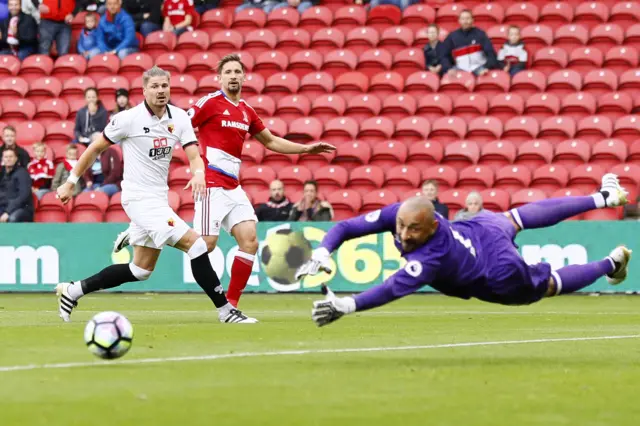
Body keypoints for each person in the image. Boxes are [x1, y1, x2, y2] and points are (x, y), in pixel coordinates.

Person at [114, 54, 335, 310]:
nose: (232, 76)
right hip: (211, 187)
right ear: (219, 78)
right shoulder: (209, 103)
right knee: (205, 245)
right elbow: (178, 125)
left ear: (243, 76)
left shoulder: (246, 111)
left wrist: (306, 150)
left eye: (236, 71)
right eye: (227, 72)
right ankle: (141, 231)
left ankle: (231, 305)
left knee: (250, 241)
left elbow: (271, 141)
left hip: (233, 188)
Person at [55, 66, 256, 324]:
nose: (161, 91)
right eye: (155, 87)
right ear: (144, 90)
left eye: (164, 86)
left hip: (158, 198)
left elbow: (194, 154)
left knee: (140, 270)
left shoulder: (180, 118)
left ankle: (73, 291)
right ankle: (226, 311)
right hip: (138, 199)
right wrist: (71, 181)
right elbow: (95, 148)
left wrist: (198, 173)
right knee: (196, 245)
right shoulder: (129, 119)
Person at [299, 174, 632, 327]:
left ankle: (610, 263)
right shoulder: (404, 212)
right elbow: (344, 227)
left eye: (413, 230)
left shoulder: (430, 257)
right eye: (400, 226)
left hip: (495, 271)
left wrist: (348, 304)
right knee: (514, 217)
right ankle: (602, 196)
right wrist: (323, 251)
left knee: (544, 287)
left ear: (431, 226)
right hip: (479, 229)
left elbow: (391, 288)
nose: (403, 234)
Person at [439, 9, 498, 77]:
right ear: (459, 21)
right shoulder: (452, 36)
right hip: (460, 69)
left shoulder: (480, 34)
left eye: (468, 18)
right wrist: (448, 68)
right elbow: (443, 55)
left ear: (472, 20)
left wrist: (486, 67)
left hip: (479, 68)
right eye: (463, 19)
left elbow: (491, 53)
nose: (465, 21)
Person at [0, 147, 34, 222]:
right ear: (2, 159)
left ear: (16, 158)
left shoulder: (23, 174)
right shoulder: (1, 174)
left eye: (11, 156)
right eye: (6, 157)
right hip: (4, 207)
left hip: (22, 209)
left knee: (12, 218)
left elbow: (23, 196)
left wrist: (7, 212)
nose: (8, 159)